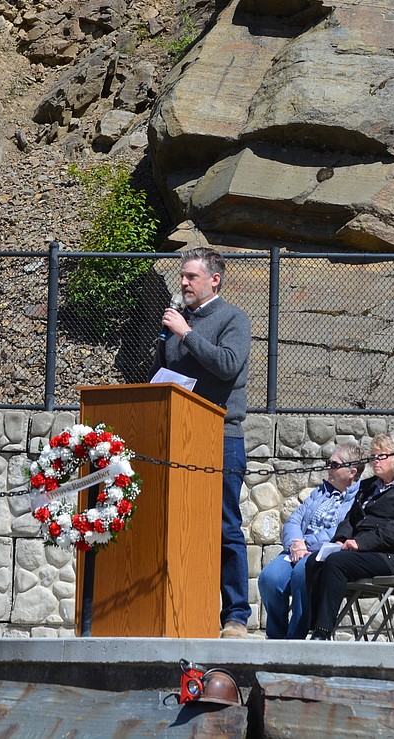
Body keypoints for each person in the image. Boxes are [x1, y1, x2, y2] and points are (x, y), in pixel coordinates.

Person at [155, 246, 253, 639]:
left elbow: (228, 365)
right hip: (177, 437)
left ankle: (235, 617)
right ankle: (187, 609)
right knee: (181, 526)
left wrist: (186, 333)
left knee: (225, 528)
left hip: (220, 437)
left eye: (191, 276)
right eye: (182, 276)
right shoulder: (178, 324)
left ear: (215, 279)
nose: (183, 282)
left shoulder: (234, 319)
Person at [304, 432, 394, 640]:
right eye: (373, 456)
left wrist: (360, 543)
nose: (375, 461)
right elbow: (351, 520)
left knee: (337, 563)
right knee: (315, 561)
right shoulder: (369, 486)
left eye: (381, 456)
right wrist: (340, 540)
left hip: (391, 556)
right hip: (362, 551)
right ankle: (309, 627)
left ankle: (322, 632)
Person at [258, 441, 361, 639]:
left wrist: (307, 545)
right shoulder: (320, 492)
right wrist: (296, 542)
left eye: (334, 464)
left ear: (351, 472)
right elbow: (295, 519)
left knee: (301, 575)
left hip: (322, 554)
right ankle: (276, 638)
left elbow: (337, 532)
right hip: (297, 549)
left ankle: (295, 638)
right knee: (268, 579)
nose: (328, 468)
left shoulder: (356, 500)